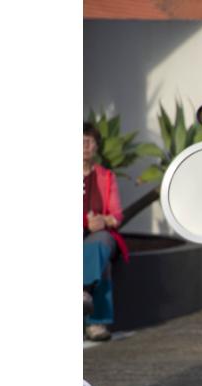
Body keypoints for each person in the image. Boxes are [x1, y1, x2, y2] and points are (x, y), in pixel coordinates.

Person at [83, 121, 128, 342]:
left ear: (96, 146)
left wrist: (104, 220)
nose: (84, 146)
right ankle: (96, 321)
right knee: (103, 264)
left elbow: (117, 215)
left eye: (89, 141)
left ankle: (83, 292)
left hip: (99, 234)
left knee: (99, 244)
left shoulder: (106, 176)